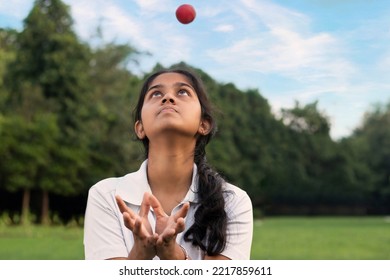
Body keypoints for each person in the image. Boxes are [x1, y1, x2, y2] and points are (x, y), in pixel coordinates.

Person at [83, 68, 253, 260]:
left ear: (203, 124)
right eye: (156, 93)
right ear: (140, 128)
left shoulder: (233, 201)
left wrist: (174, 255)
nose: (168, 98)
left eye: (182, 92)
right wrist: (140, 254)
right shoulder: (106, 196)